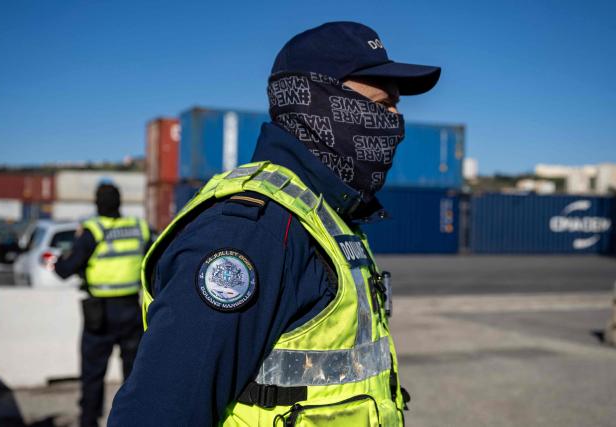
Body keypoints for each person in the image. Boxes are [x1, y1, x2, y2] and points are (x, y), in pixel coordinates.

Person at [109, 21, 440, 426]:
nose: (395, 123)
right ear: (317, 105)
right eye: (380, 104)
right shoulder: (249, 232)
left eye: (397, 108)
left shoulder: (327, 218)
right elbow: (158, 412)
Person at [54, 182, 152, 427]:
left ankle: (89, 422)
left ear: (97, 204)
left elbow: (66, 270)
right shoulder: (139, 227)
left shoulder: (92, 231)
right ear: (120, 203)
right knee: (134, 378)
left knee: (93, 376)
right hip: (131, 311)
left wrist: (56, 262)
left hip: (99, 315)